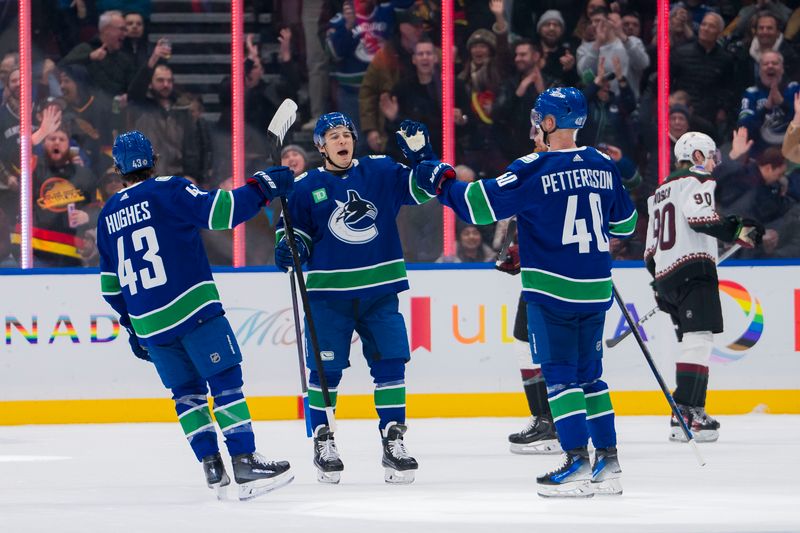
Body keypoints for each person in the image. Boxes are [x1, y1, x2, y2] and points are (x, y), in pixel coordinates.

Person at [409, 87, 638, 497]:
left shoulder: (534, 167)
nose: (536, 124)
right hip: (595, 287)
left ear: (549, 123)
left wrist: (438, 176)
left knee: (561, 377)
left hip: (552, 292)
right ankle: (608, 461)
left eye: (539, 118)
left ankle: (576, 463)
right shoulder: (604, 164)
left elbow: (476, 206)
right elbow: (625, 226)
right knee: (592, 377)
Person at [96, 130, 295, 500]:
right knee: (225, 381)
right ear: (153, 159)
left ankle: (212, 466)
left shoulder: (107, 215)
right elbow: (224, 213)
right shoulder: (169, 189)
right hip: (192, 308)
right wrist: (264, 185)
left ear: (118, 168)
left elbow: (110, 288)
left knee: (186, 394)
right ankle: (244, 458)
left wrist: (133, 328)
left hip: (150, 324)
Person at [274, 112, 433, 485]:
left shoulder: (380, 171)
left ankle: (393, 439)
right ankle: (323, 439)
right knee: (326, 373)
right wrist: (290, 246)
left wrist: (423, 159)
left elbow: (423, 190)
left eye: (347, 134)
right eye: (333, 136)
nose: (342, 140)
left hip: (380, 291)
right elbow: (293, 235)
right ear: (320, 145)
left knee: (392, 364)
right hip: (330, 296)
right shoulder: (303, 186)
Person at [644, 132, 764, 444]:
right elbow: (700, 219)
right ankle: (685, 412)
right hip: (693, 270)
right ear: (697, 156)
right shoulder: (698, 179)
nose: (713, 162)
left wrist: (659, 284)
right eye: (710, 155)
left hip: (666, 277)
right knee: (699, 340)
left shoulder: (658, 192)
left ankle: (692, 410)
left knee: (695, 340)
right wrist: (737, 228)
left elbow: (649, 250)